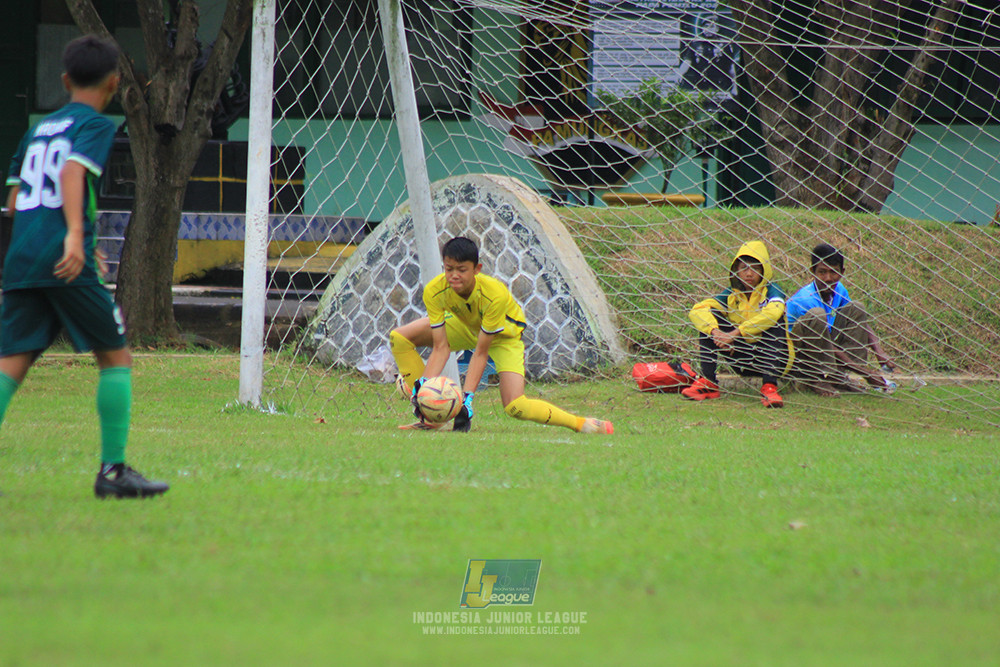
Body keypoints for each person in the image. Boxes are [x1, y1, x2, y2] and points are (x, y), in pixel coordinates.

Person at [0, 35, 168, 499]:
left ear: (65, 79)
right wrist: (74, 235)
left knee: (12, 362)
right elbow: (71, 173)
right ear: (115, 81)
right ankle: (113, 472)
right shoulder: (93, 125)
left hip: (22, 257)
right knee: (115, 355)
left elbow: (15, 200)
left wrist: (59, 233)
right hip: (64, 259)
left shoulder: (38, 129)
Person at [389, 236, 613, 434]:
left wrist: (467, 399)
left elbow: (480, 352)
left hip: (503, 338)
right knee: (400, 338)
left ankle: (580, 423)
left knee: (516, 407)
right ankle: (432, 414)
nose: (454, 276)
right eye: (449, 269)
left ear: (477, 269)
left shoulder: (494, 294)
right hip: (465, 326)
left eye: (461, 269)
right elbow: (441, 347)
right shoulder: (434, 291)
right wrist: (424, 386)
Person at [683, 240, 792, 408]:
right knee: (709, 319)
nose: (749, 273)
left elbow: (773, 312)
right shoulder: (732, 294)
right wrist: (716, 333)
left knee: (774, 321)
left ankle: (770, 387)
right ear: (736, 271)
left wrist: (734, 334)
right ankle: (709, 383)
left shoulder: (772, 291)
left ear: (764, 270)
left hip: (775, 360)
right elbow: (697, 310)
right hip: (742, 359)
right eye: (744, 268)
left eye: (755, 268)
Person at [785, 243, 895, 395]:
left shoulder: (839, 290)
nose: (828, 278)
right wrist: (864, 372)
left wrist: (879, 352)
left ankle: (838, 377)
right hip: (795, 351)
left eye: (833, 272)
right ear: (813, 272)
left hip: (824, 342)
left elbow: (858, 322)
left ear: (842, 272)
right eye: (822, 272)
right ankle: (814, 379)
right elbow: (826, 342)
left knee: (857, 307)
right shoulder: (806, 299)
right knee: (817, 315)